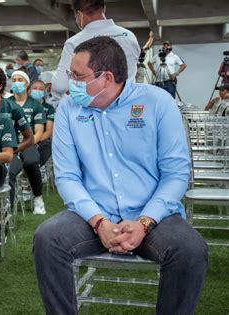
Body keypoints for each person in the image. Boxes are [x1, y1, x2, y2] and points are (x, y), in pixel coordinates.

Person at [33, 36, 208, 315]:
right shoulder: (68, 109)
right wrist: (99, 221)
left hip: (153, 215)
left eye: (77, 76)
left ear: (107, 77)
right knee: (48, 238)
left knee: (190, 250)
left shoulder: (158, 103)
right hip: (92, 214)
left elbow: (175, 173)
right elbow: (66, 176)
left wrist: (145, 221)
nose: (70, 83)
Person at [52, 0, 140, 95]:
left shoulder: (74, 42)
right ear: (104, 8)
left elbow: (59, 86)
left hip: (93, 106)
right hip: (127, 103)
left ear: (79, 15)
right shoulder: (129, 36)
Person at [0, 65, 35, 206]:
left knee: (9, 172)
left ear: (1, 85)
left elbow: (30, 139)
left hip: (9, 156)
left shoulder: (13, 108)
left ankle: (6, 211)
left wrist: (11, 150)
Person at [8, 71, 46, 215]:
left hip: (29, 143)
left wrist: (23, 146)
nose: (17, 82)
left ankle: (38, 198)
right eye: (14, 80)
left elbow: (39, 133)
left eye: (20, 80)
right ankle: (7, 203)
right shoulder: (7, 103)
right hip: (9, 144)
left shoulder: (36, 106)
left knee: (31, 162)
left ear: (27, 83)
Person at [29, 80, 55, 166]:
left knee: (49, 144)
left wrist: (35, 141)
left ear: (44, 92)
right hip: (24, 138)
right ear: (29, 90)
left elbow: (48, 131)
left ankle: (36, 166)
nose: (37, 90)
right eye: (35, 88)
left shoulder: (49, 108)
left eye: (41, 89)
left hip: (41, 140)